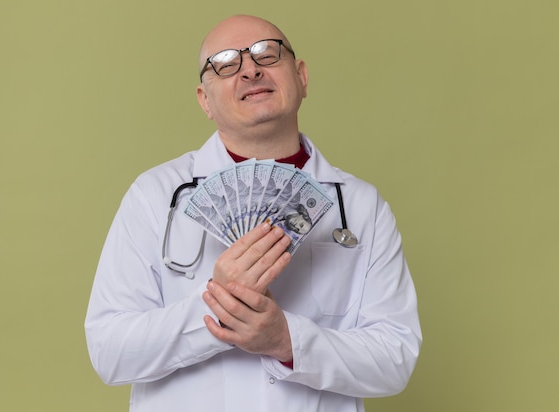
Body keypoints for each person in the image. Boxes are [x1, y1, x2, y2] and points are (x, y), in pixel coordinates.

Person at [85, 14, 421, 412]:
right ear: (204, 100)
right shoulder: (154, 195)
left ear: (302, 77)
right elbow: (110, 352)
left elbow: (395, 357)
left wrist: (287, 340)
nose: (250, 70)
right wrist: (217, 306)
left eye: (267, 52)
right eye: (226, 64)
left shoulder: (363, 206)